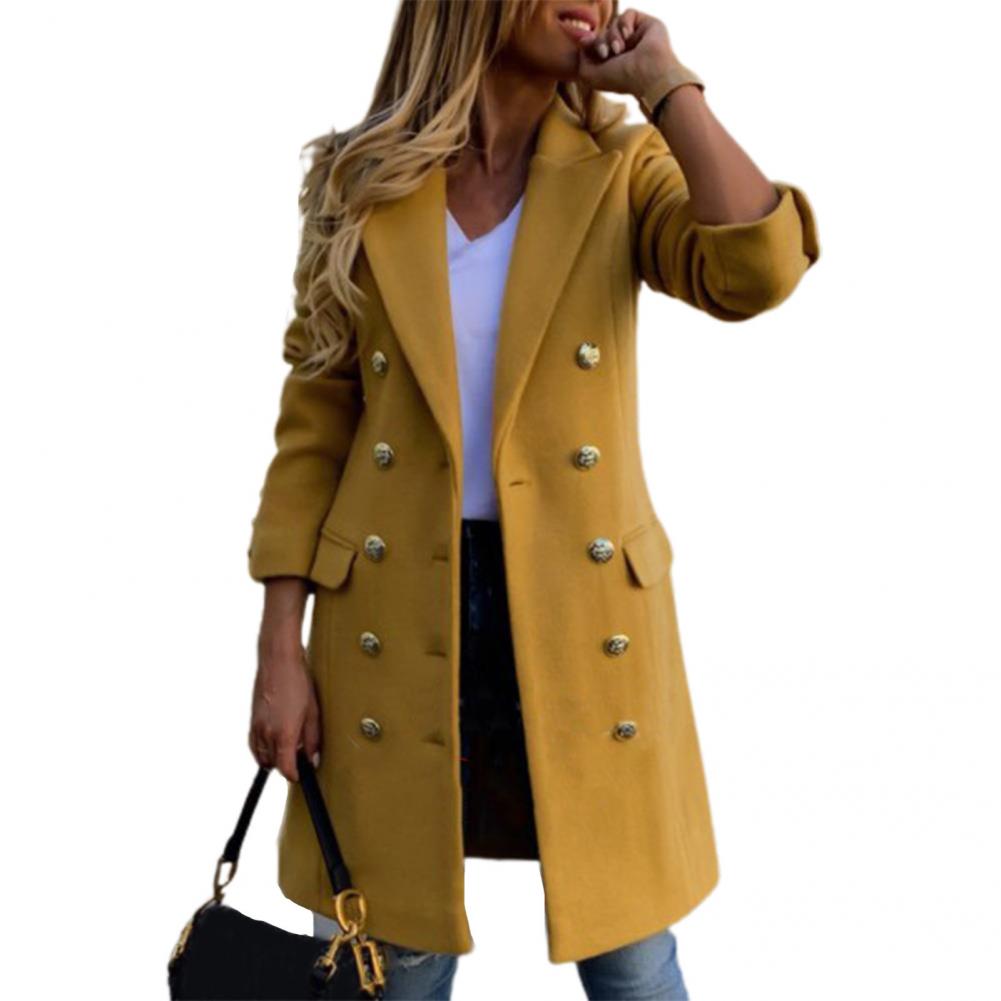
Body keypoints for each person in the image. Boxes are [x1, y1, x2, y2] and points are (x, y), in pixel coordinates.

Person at [246, 2, 820, 998]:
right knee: (393, 952)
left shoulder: (622, 165)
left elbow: (756, 270)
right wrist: (277, 648)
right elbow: (314, 428)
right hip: (392, 604)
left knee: (630, 952)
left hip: (579, 604)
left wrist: (666, 87)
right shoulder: (360, 179)